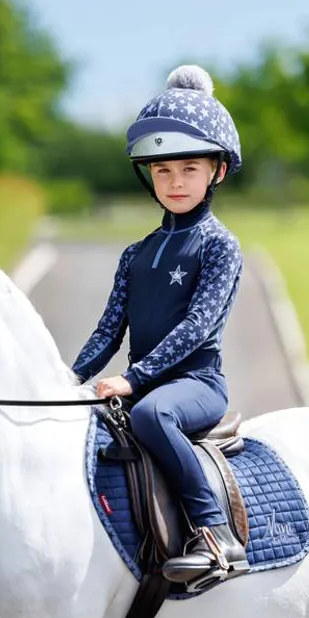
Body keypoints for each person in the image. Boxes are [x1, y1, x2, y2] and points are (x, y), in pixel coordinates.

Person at [71, 64, 249, 586]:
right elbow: (108, 331)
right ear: (149, 175)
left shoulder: (220, 246)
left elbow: (198, 326)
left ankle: (217, 535)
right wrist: (66, 379)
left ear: (216, 172)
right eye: (163, 171)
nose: (175, 182)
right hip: (144, 381)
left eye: (189, 169)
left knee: (150, 415)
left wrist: (135, 378)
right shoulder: (135, 254)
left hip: (194, 385)